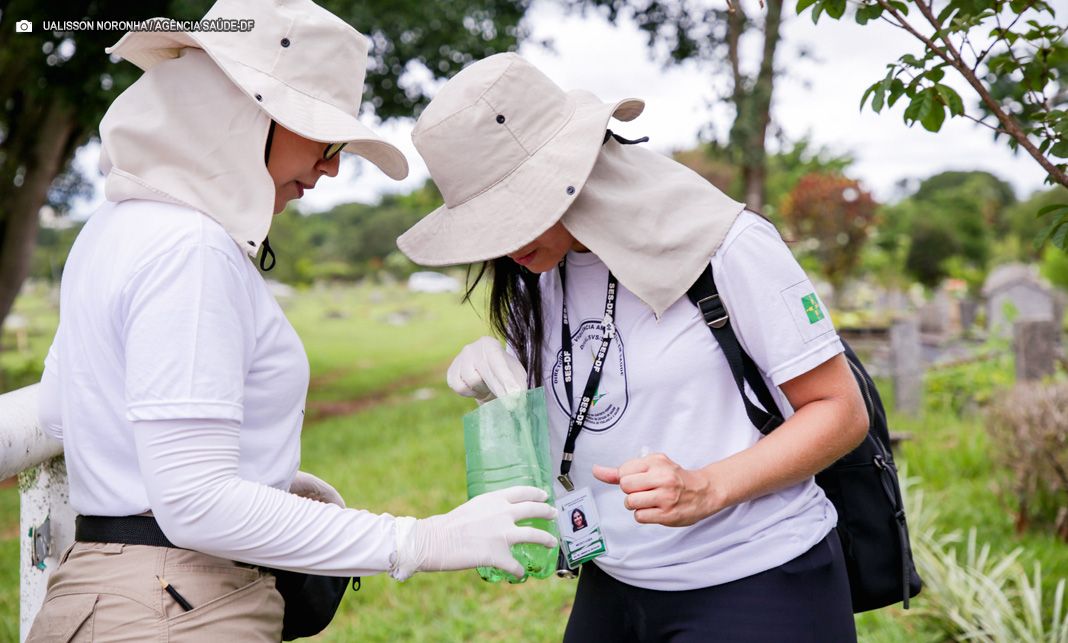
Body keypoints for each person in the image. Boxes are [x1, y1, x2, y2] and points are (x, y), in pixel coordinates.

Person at [27, 3, 555, 641]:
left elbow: (65, 410)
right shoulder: (190, 250)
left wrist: (266, 473)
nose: (332, 166)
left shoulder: (111, 228)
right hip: (177, 605)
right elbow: (195, 502)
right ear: (254, 111)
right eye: (326, 140)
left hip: (103, 593)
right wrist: (425, 539)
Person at [397, 53, 869, 642]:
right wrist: (501, 384)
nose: (498, 244)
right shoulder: (542, 269)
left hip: (756, 579)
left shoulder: (729, 247)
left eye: (508, 213)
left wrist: (709, 486)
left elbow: (841, 411)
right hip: (615, 581)